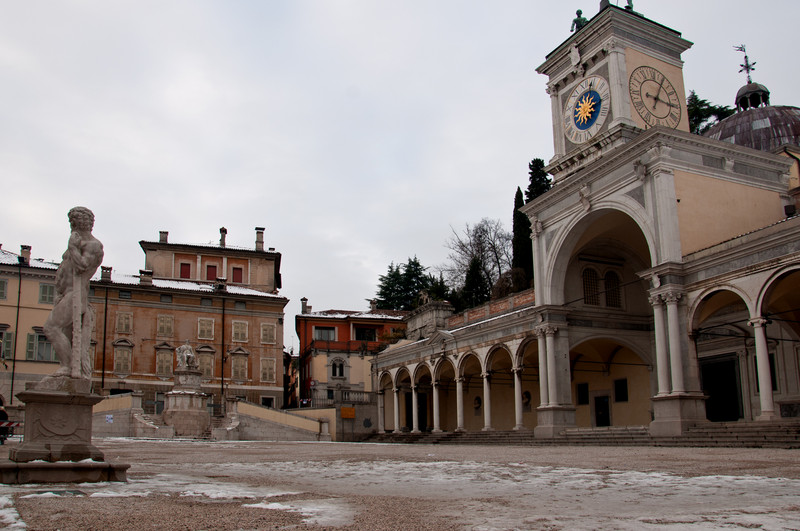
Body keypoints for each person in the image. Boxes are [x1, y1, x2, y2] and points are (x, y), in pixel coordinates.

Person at [43, 207, 104, 380]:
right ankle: (70, 368)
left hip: (76, 295)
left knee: (50, 327)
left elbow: (82, 266)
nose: (72, 224)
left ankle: (67, 366)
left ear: (83, 222)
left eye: (74, 221)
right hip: (66, 294)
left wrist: (72, 247)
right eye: (71, 221)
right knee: (68, 336)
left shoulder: (93, 245)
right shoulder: (78, 242)